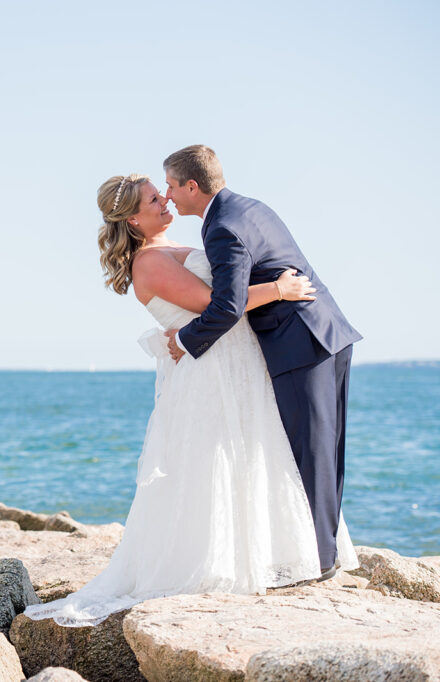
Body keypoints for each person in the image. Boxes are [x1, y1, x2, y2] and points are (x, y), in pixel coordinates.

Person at [23, 172, 356, 627]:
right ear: (135, 221)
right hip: (211, 372)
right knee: (219, 461)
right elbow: (215, 301)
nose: (165, 202)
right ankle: (225, 561)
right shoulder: (148, 264)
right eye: (154, 200)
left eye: (163, 194)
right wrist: (279, 290)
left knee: (257, 454)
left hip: (233, 363)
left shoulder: (170, 247)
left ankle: (273, 553)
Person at [163, 145, 361, 578]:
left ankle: (321, 562)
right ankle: (325, 553)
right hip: (329, 332)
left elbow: (227, 307)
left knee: (310, 451)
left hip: (300, 342)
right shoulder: (250, 206)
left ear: (192, 186)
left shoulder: (221, 228)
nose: (169, 195)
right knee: (326, 451)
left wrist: (184, 339)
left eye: (173, 186)